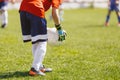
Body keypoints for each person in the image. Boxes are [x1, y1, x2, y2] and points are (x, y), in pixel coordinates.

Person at [19, 0, 66, 76]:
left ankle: (39, 66)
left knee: (36, 41)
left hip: (23, 9)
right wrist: (59, 29)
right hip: (36, 9)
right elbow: (54, 13)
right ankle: (35, 69)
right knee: (42, 42)